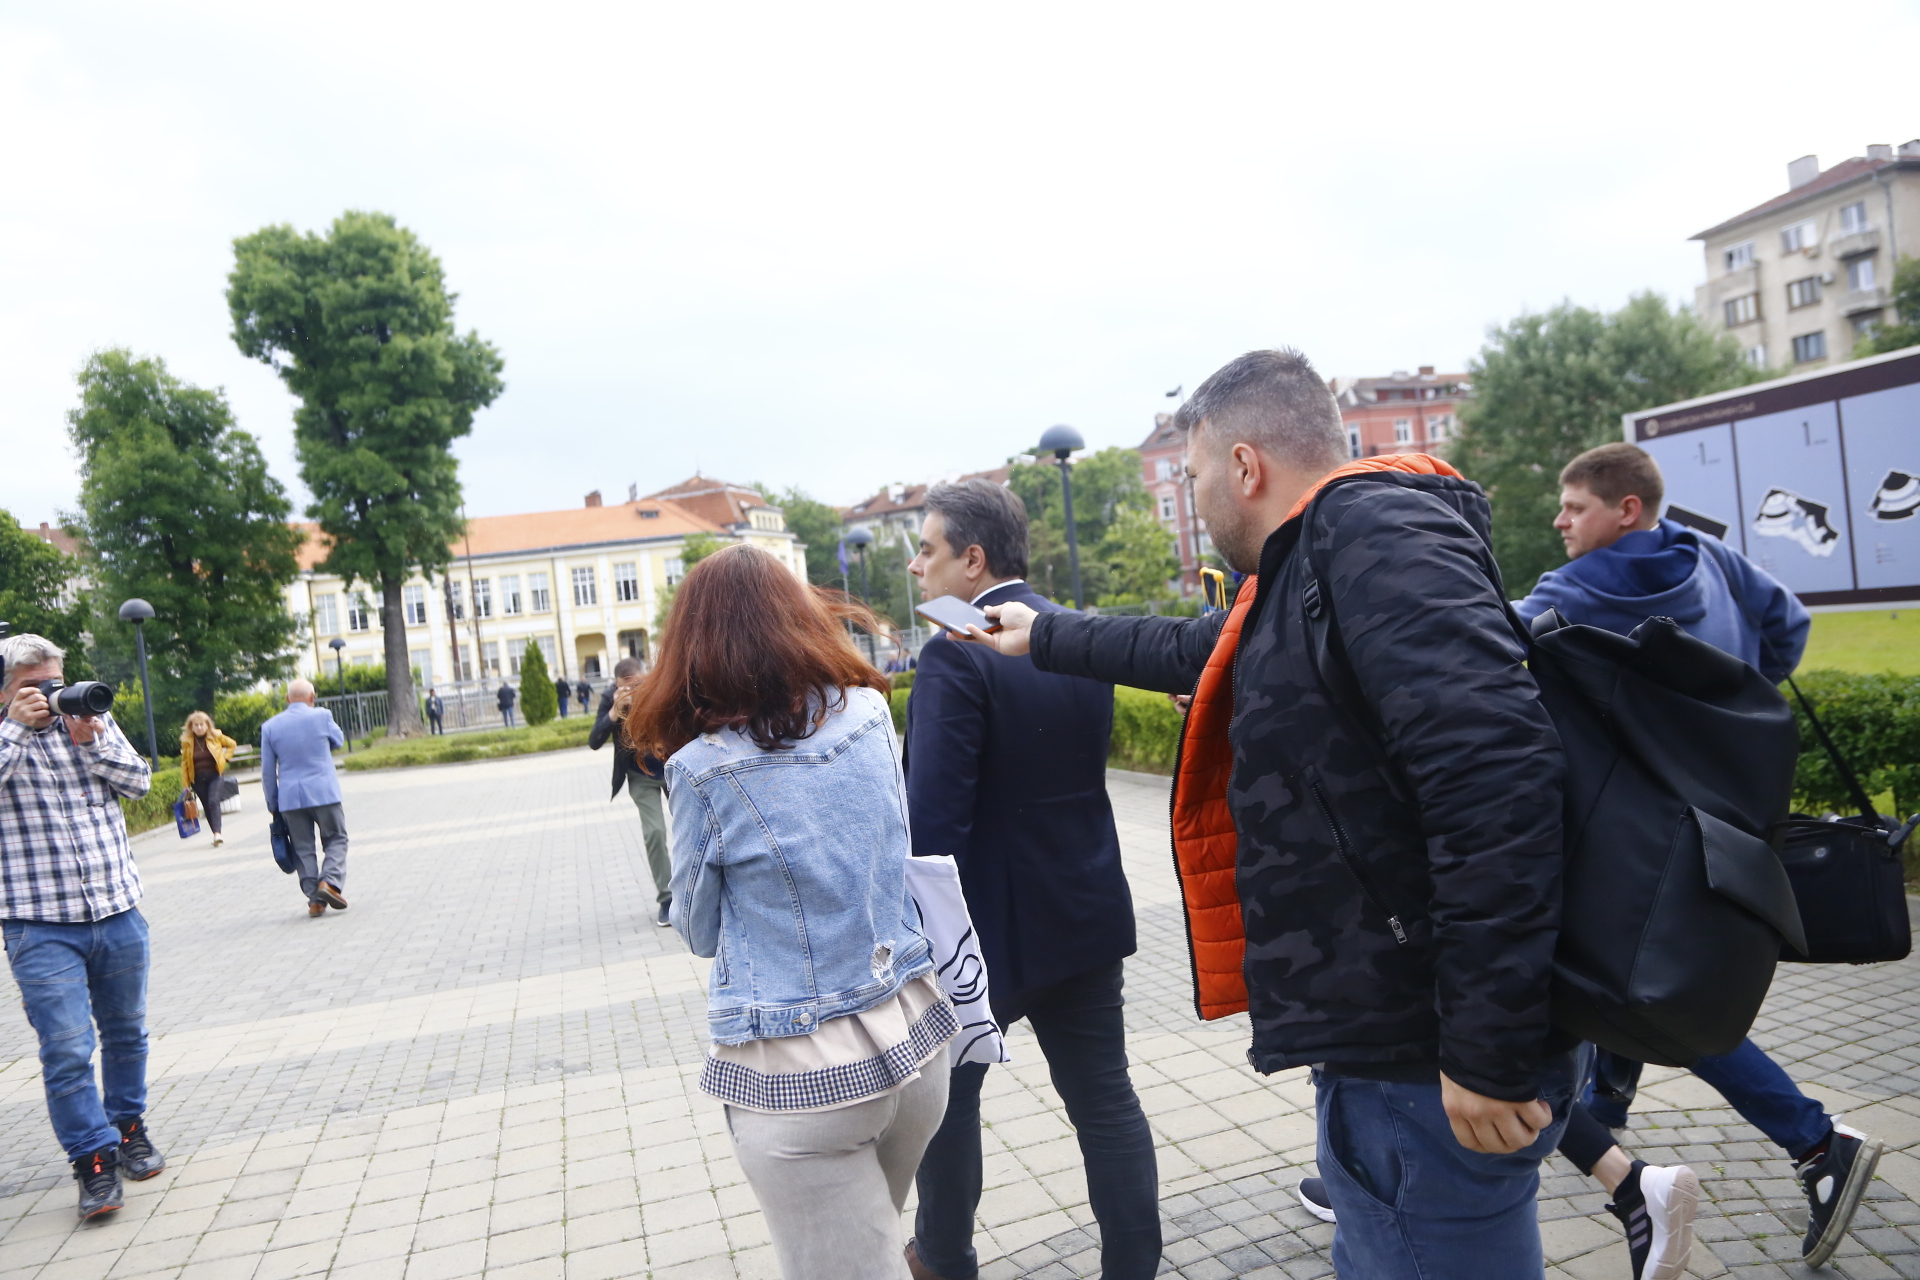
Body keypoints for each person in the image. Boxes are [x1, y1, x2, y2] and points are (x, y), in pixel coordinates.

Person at [972, 350, 1572, 1279]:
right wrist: (1042, 633)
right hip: (1394, 1040)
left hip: (1428, 1053)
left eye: (1195, 472)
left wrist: (1488, 1051)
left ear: (1245, 466)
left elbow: (1497, 781)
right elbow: (1197, 646)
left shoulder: (1375, 537)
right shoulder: (1319, 562)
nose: (1196, 492)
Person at [1513, 442, 1882, 1270]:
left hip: (1641, 840)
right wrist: (1732, 722)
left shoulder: (1573, 591)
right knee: (1651, 978)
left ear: (1626, 510)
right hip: (1735, 821)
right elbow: (1788, 627)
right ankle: (1606, 1106)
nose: (1560, 521)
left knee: (1664, 996)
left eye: (1574, 507)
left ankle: (1816, 1140)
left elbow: (1483, 655)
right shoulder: (1708, 555)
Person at [625, 544, 956, 1280]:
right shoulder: (870, 712)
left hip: (802, 1080)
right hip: (916, 1038)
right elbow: (893, 842)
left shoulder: (702, 770)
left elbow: (699, 930)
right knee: (872, 1247)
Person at [902, 479, 1160, 1280]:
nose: (915, 566)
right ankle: (1135, 1268)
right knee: (1106, 1102)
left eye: (927, 548)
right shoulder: (1072, 633)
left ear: (972, 560)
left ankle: (944, 1259)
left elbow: (932, 825)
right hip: (1083, 906)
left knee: (952, 1113)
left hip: (981, 935)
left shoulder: (954, 656)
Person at [0, 633, 167, 1220]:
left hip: (117, 909)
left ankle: (127, 1129)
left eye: (53, 681)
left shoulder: (91, 714)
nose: (49, 695)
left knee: (127, 1034)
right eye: (32, 688)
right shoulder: (4, 735)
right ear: (5, 693)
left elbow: (142, 782)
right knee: (68, 1050)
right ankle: (92, 1160)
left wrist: (92, 740)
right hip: (38, 925)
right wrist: (16, 729)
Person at [589, 658, 673, 927]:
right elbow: (594, 741)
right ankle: (667, 899)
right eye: (628, 686)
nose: (634, 690)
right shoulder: (609, 699)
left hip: (671, 769)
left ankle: (695, 893)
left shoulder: (660, 686)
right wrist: (615, 712)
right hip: (640, 777)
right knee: (655, 833)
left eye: (639, 684)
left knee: (691, 829)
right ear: (616, 684)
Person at [261, 680, 350, 918]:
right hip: (324, 792)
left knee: (303, 849)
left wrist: (273, 804)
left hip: (290, 798)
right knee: (337, 838)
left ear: (288, 699)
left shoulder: (270, 727)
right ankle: (329, 883)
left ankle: (315, 901)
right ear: (312, 697)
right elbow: (339, 740)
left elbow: (268, 772)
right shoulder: (322, 716)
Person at [179, 711, 237, 848]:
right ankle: (215, 834)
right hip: (197, 779)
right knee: (207, 806)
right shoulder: (187, 741)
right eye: (196, 725)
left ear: (207, 725)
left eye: (202, 725)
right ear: (191, 727)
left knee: (213, 801)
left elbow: (232, 744)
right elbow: (185, 763)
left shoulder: (216, 735)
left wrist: (225, 758)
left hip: (215, 775)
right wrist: (185, 784)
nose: (199, 727)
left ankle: (218, 833)